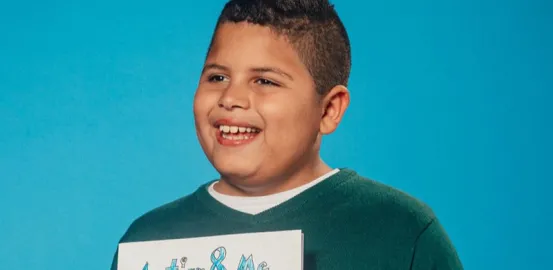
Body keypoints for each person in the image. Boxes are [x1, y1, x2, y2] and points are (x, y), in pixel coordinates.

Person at [110, 0, 463, 269]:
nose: (230, 98)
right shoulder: (148, 240)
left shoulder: (401, 232)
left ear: (328, 110)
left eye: (265, 81)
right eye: (217, 77)